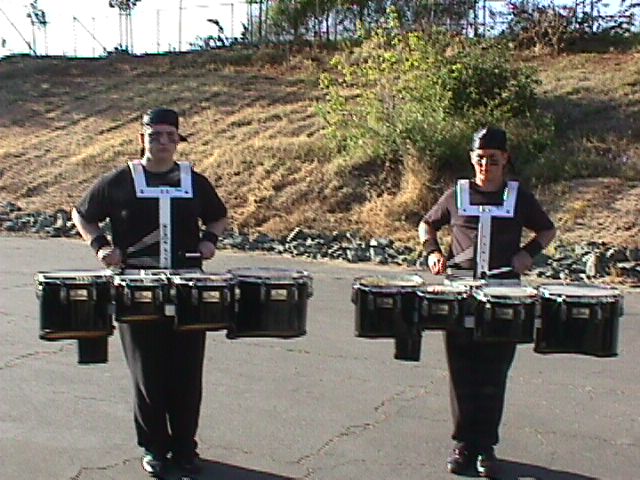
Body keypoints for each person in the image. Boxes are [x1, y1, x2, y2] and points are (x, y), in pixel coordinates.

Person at [71, 107, 228, 478]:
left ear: (178, 140)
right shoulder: (120, 181)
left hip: (188, 288)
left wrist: (209, 239)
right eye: (155, 136)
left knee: (187, 372)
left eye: (170, 136)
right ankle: (155, 447)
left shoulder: (194, 181)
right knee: (148, 373)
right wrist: (101, 246)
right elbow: (82, 214)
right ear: (142, 139)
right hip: (136, 288)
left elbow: (218, 215)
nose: (163, 142)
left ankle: (185, 448)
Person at [417, 126, 556, 477]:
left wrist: (528, 254)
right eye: (480, 159)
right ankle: (464, 444)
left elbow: (547, 230)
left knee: (493, 372)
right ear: (472, 159)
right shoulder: (457, 194)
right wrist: (433, 252)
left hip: (503, 295)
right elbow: (426, 225)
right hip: (461, 293)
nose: (485, 166)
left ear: (505, 159)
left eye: (492, 159)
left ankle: (486, 447)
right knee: (462, 371)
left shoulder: (518, 197)